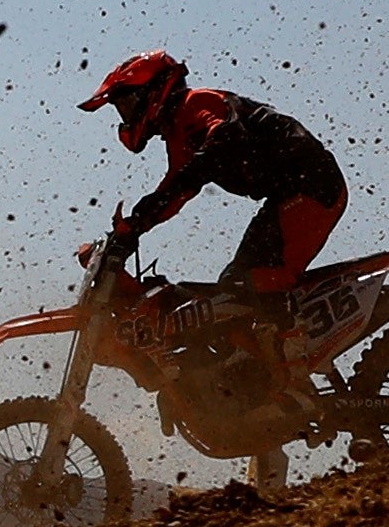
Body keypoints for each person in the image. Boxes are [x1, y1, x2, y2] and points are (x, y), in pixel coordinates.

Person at [82, 51, 348, 415]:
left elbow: (225, 136)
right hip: (286, 195)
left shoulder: (197, 103)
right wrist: (132, 229)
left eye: (127, 102)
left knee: (261, 278)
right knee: (233, 286)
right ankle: (258, 380)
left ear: (155, 90)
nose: (125, 114)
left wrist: (194, 170)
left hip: (313, 187)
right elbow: (175, 190)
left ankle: (298, 382)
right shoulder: (177, 132)